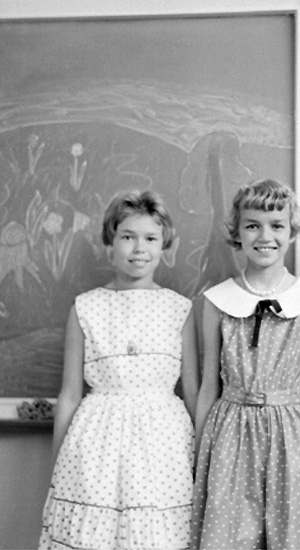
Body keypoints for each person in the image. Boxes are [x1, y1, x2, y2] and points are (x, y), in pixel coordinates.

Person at [39, 190, 199, 550]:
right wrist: (58, 463)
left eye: (150, 238)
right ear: (110, 241)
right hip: (97, 443)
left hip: (163, 444)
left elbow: (191, 390)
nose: (139, 248)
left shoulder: (179, 308)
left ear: (164, 245)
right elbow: (70, 393)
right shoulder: (85, 307)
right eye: (128, 237)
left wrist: (202, 457)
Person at [191, 179, 300, 550]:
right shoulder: (217, 300)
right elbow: (209, 385)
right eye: (252, 226)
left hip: (295, 437)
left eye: (277, 226)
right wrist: (198, 458)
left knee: (292, 538)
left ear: (292, 231)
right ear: (237, 232)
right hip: (230, 434)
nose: (265, 236)